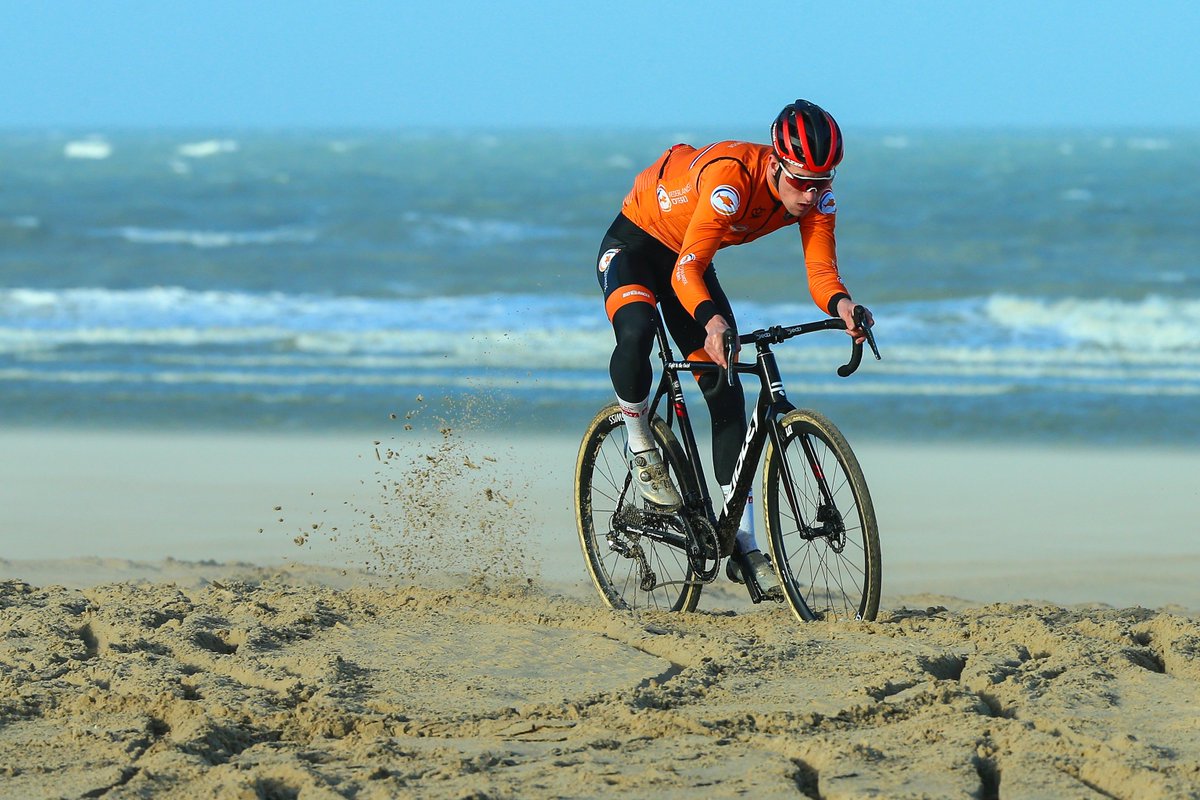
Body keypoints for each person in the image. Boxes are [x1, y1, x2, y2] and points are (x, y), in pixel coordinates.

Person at [595, 99, 872, 597]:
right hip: (637, 244)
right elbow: (685, 272)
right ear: (777, 164)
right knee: (636, 331)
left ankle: (743, 546)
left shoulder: (817, 197)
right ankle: (641, 446)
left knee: (726, 395)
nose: (811, 195)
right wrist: (711, 319)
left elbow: (820, 271)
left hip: (690, 259)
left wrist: (843, 304)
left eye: (822, 182)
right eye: (802, 182)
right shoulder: (732, 181)